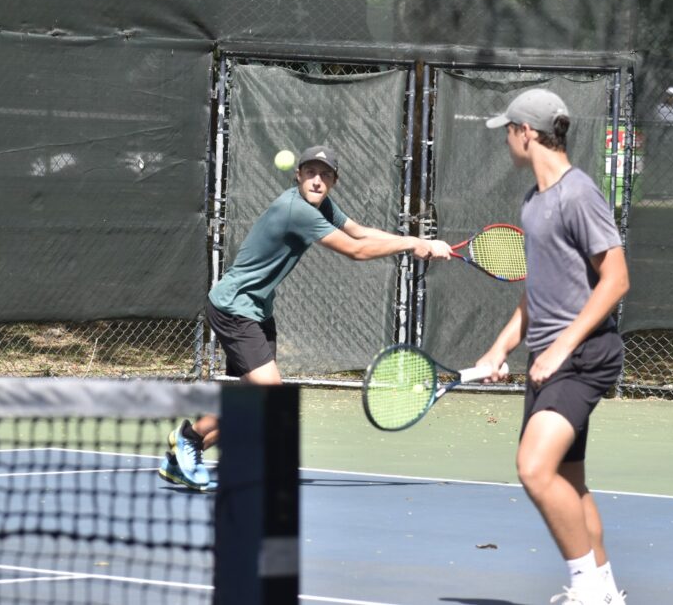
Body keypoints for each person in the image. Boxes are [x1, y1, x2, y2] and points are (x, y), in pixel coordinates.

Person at [159, 144, 453, 491]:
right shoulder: (295, 210)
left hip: (257, 309)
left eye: (324, 174)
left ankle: (182, 454)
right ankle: (189, 439)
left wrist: (419, 240)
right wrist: (410, 245)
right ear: (297, 175)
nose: (317, 180)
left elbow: (359, 233)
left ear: (333, 181)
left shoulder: (321, 204)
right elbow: (356, 251)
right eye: (310, 172)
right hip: (234, 308)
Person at [476, 90, 630, 605]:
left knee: (533, 468)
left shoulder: (577, 192)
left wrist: (562, 347)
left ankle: (586, 589)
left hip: (584, 356)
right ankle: (606, 591)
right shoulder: (533, 201)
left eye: (508, 129)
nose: (505, 139)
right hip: (549, 360)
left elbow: (616, 278)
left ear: (526, 132)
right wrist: (500, 348)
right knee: (569, 481)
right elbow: (535, 292)